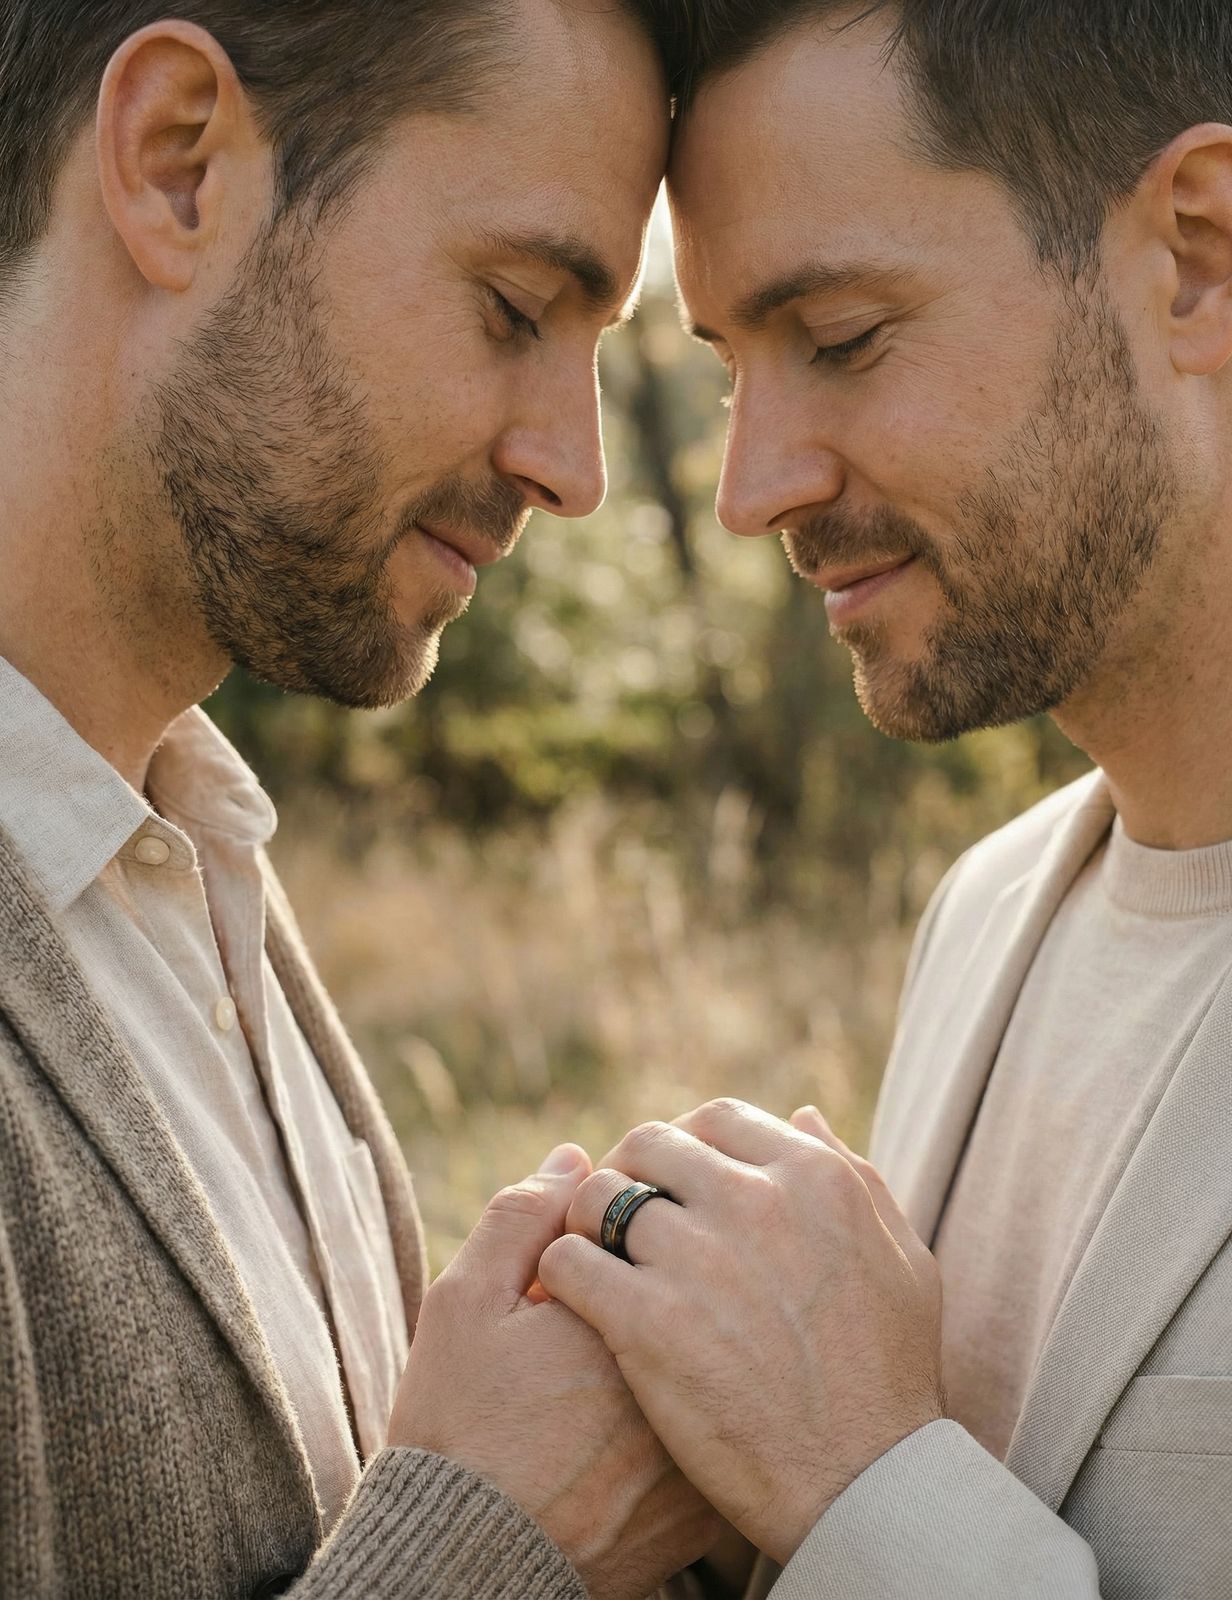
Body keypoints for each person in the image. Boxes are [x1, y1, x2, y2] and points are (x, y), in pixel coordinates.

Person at [538, 3, 1232, 1596]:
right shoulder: (988, 912)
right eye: (734, 368)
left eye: (843, 338)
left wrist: (859, 1485)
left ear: (1199, 256)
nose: (755, 490)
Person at [0, 2, 717, 1595]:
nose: (573, 467)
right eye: (514, 306)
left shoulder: (188, 862)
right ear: (180, 164)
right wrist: (499, 1535)